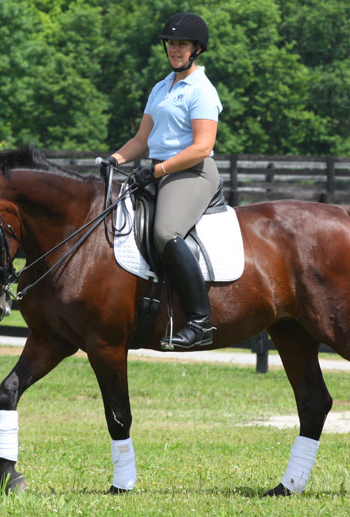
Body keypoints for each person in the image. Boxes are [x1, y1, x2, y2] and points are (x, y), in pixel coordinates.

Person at [100, 12, 222, 349]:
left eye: (181, 44)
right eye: (171, 44)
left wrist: (156, 171)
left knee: (165, 233)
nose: (174, 49)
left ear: (197, 49)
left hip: (191, 173)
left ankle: (200, 321)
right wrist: (114, 160)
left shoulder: (202, 90)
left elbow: (202, 146)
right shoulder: (161, 87)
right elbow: (142, 139)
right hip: (159, 171)